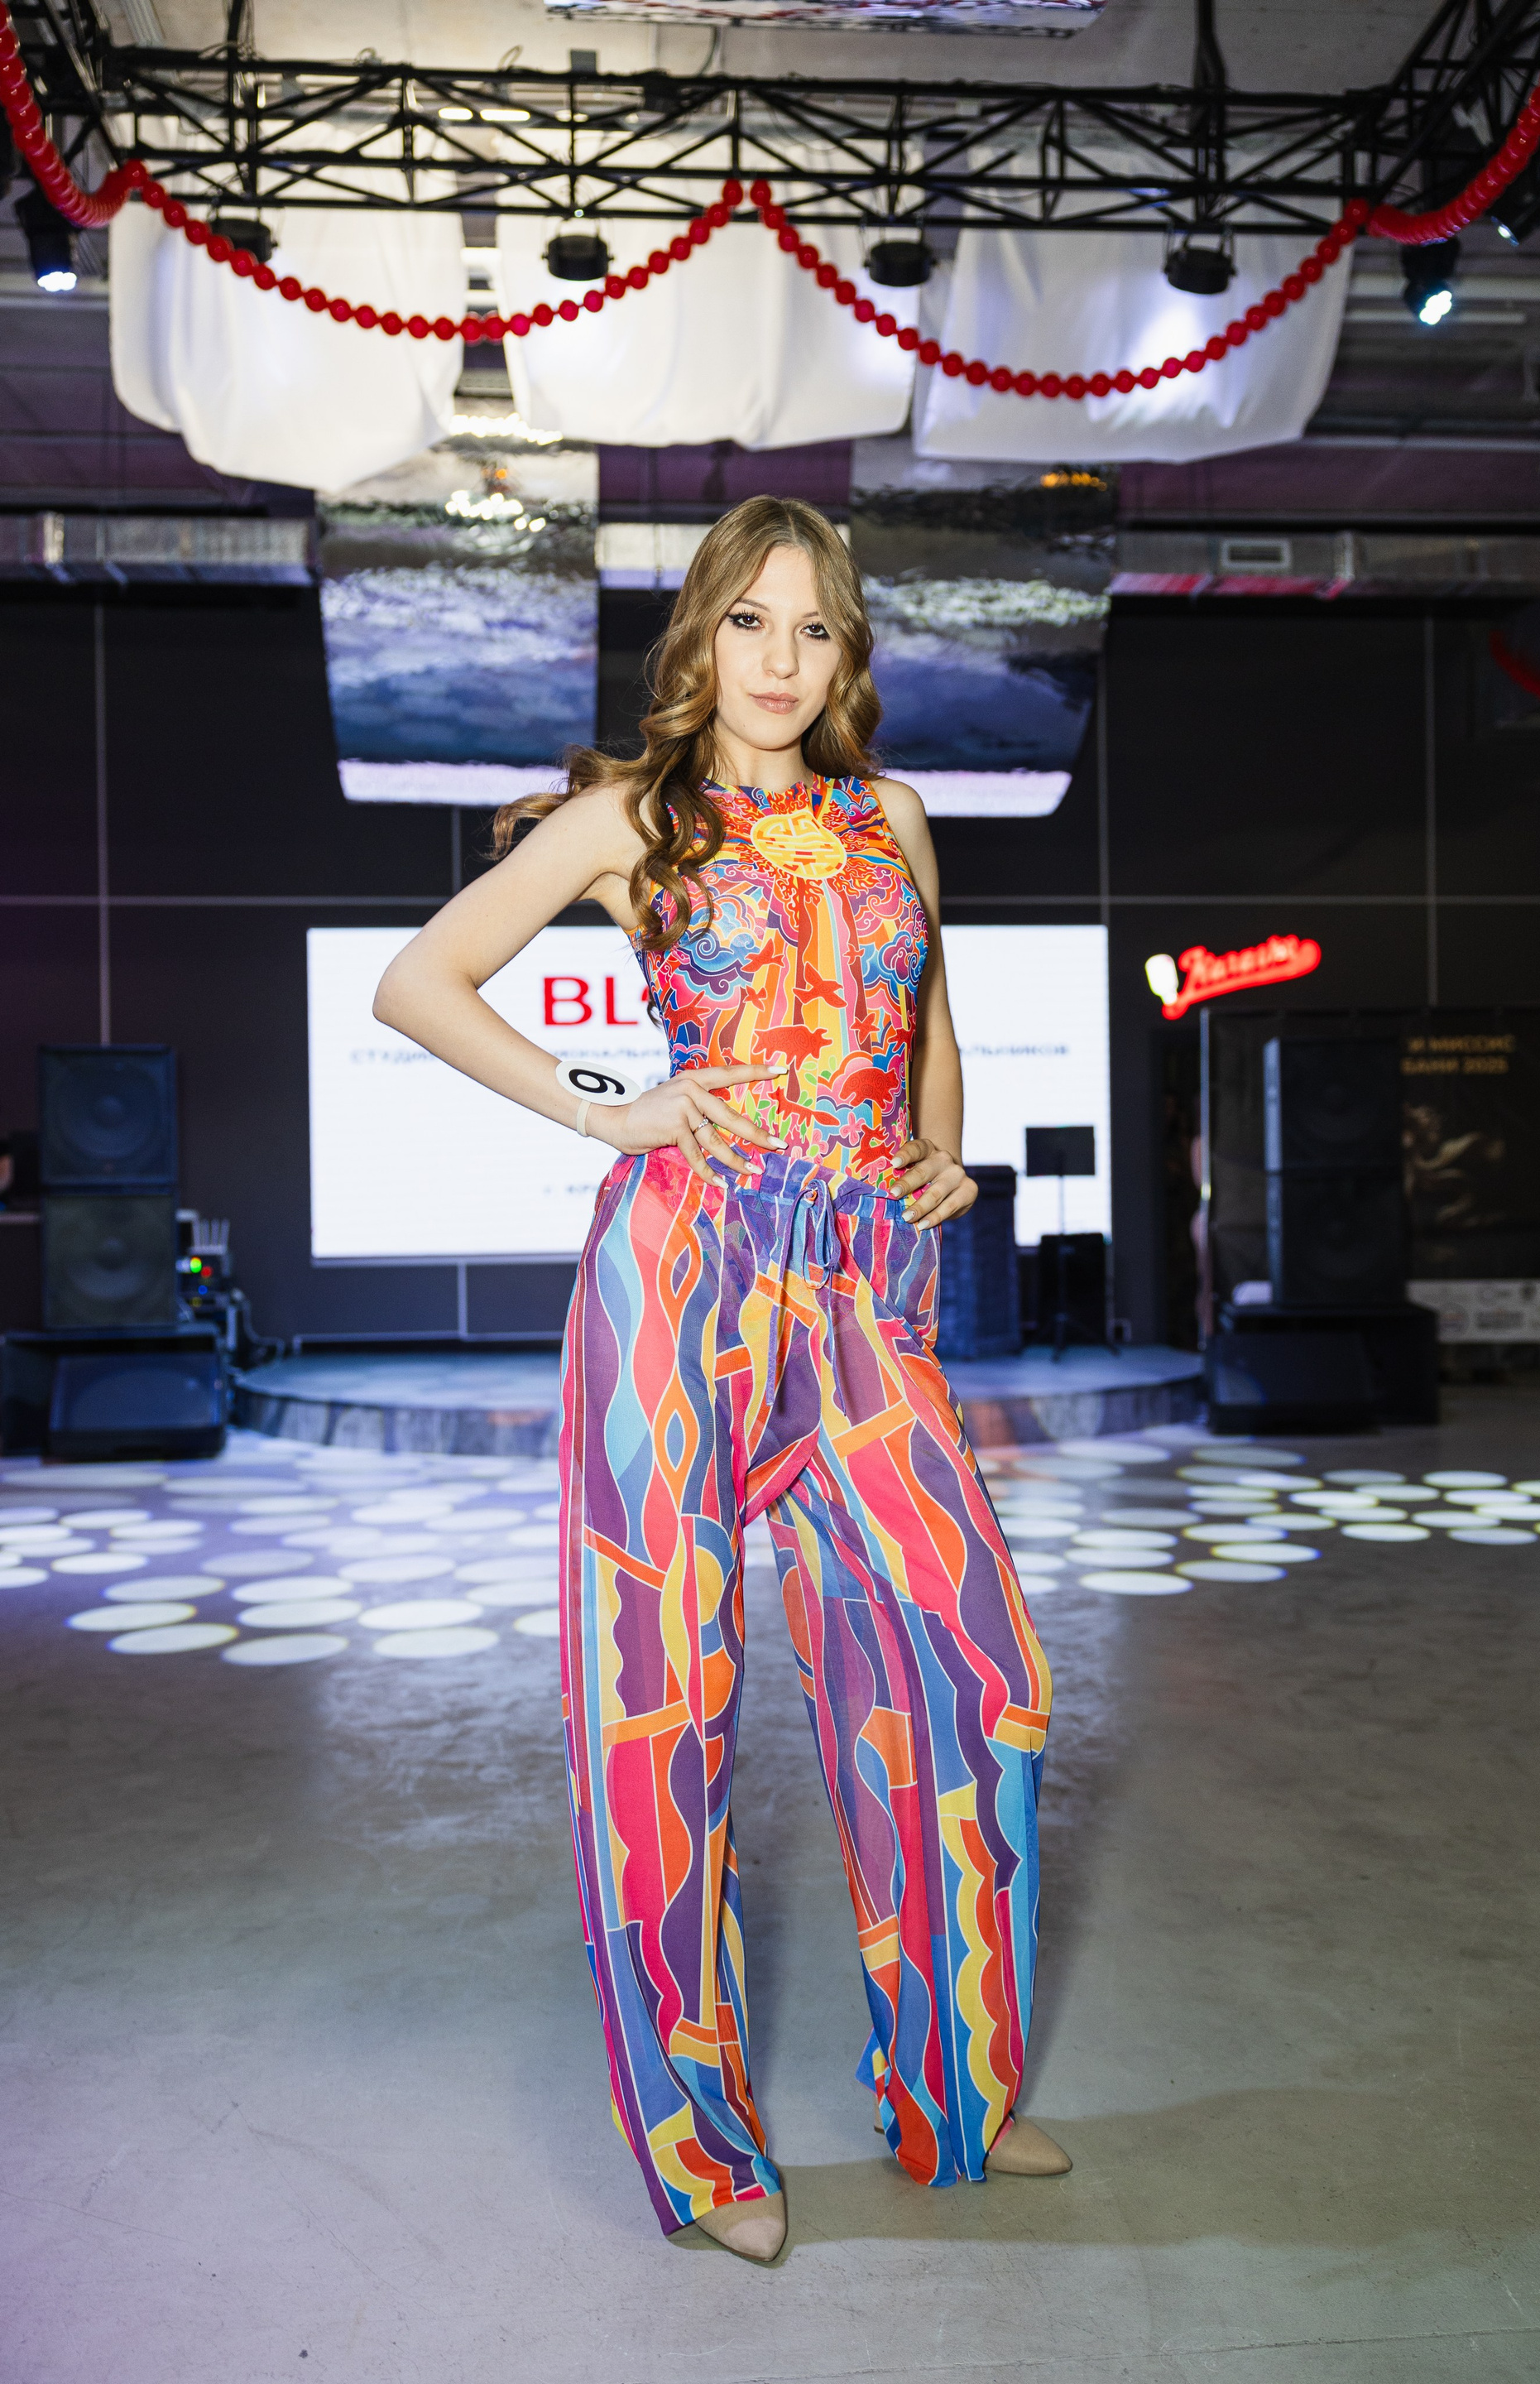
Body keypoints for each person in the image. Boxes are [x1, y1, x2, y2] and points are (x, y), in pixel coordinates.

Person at [374, 496, 1065, 2264]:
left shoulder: (892, 818)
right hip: (683, 1285)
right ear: (699, 634)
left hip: (865, 1299)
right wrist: (607, 1109)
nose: (780, 658)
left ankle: (954, 2084)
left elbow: (930, 1029)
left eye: (815, 628)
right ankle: (705, 2153)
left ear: (847, 655)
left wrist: (942, 1154)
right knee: (663, 1710)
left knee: (973, 1668)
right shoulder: (636, 819)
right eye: (751, 621)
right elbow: (419, 981)